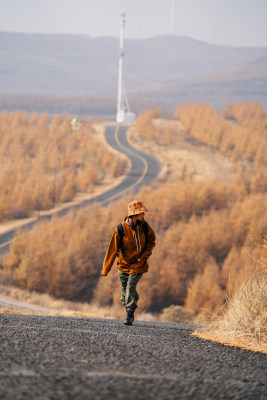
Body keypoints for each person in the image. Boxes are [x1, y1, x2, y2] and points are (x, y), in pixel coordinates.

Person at [102, 200, 156, 325]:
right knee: (125, 293)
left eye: (143, 213)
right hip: (123, 265)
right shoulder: (120, 229)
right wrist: (106, 269)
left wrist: (143, 257)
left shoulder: (145, 227)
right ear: (134, 214)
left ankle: (129, 315)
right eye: (141, 213)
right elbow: (112, 250)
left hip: (138, 265)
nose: (143, 215)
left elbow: (151, 242)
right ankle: (129, 305)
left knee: (131, 286)